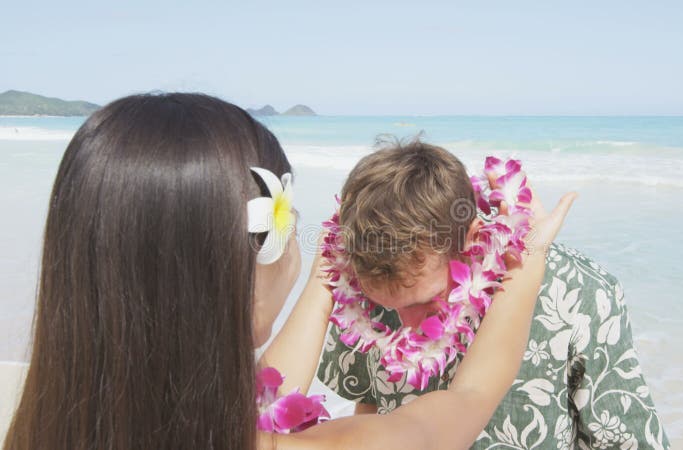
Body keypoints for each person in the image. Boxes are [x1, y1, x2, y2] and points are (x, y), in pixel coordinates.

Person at [3, 93, 576, 450]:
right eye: (292, 217)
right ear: (243, 269)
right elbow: (468, 397)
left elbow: (262, 391)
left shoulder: (38, 429)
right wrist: (525, 256)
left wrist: (339, 268)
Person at [317, 140, 671, 449]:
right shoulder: (357, 292)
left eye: (424, 301)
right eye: (388, 307)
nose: (407, 327)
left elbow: (623, 440)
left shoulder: (578, 289)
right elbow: (365, 407)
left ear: (470, 238)